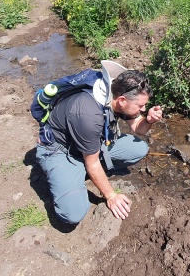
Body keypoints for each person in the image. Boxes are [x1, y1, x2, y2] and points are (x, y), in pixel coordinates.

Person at [35, 62, 163, 225]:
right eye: (140, 105)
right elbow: (93, 163)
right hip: (60, 150)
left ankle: (81, 171)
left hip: (90, 144)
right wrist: (111, 196)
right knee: (72, 213)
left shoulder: (114, 94)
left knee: (139, 148)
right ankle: (67, 171)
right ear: (122, 100)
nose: (144, 109)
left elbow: (139, 128)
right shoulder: (88, 113)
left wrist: (149, 120)